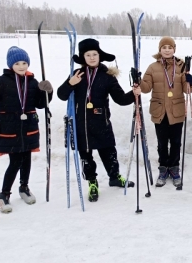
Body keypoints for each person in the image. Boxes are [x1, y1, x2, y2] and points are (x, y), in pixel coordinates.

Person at [0, 46, 53, 213]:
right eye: (18, 63)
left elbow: (42, 104)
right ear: (10, 64)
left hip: (28, 128)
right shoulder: (2, 82)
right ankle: (4, 195)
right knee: (16, 161)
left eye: (24, 62)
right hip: (10, 129)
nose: (21, 66)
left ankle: (24, 188)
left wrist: (48, 91)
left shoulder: (32, 82)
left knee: (26, 159)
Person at [57, 39, 138, 202]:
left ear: (99, 56)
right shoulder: (76, 75)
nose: (92, 57)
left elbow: (121, 99)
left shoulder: (107, 76)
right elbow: (61, 94)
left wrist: (134, 93)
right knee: (86, 157)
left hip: (102, 123)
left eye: (95, 54)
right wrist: (70, 83)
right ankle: (92, 183)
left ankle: (114, 177)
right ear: (83, 57)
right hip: (82, 126)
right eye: (88, 55)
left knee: (109, 153)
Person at [135, 36, 192, 188]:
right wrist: (138, 80)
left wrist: (190, 79)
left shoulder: (181, 66)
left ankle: (174, 168)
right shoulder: (153, 67)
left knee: (175, 143)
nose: (167, 50)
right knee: (161, 144)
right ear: (160, 50)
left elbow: (189, 90)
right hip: (159, 111)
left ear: (174, 49)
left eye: (170, 47)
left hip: (177, 111)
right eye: (164, 47)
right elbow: (146, 88)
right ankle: (163, 169)